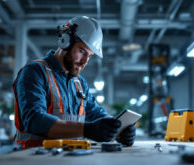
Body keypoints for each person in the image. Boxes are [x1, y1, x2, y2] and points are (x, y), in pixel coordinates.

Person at [13, 16, 136, 149]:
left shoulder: (79, 83)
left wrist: (117, 128)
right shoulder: (35, 72)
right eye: (82, 51)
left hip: (70, 159)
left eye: (89, 56)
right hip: (33, 161)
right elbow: (34, 120)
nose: (85, 62)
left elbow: (96, 113)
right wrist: (87, 130)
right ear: (65, 42)